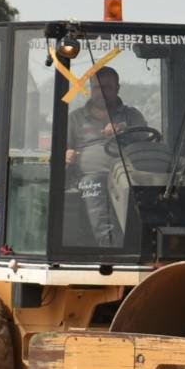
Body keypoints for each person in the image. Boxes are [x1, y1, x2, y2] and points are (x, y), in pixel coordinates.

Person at [71, 65, 153, 245]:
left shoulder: (132, 116)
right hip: (90, 177)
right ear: (91, 89)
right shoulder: (75, 118)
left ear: (117, 88)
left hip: (129, 174)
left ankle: (143, 244)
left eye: (107, 87)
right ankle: (109, 248)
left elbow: (145, 147)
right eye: (96, 88)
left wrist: (124, 130)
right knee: (94, 183)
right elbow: (63, 148)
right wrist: (67, 153)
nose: (101, 92)